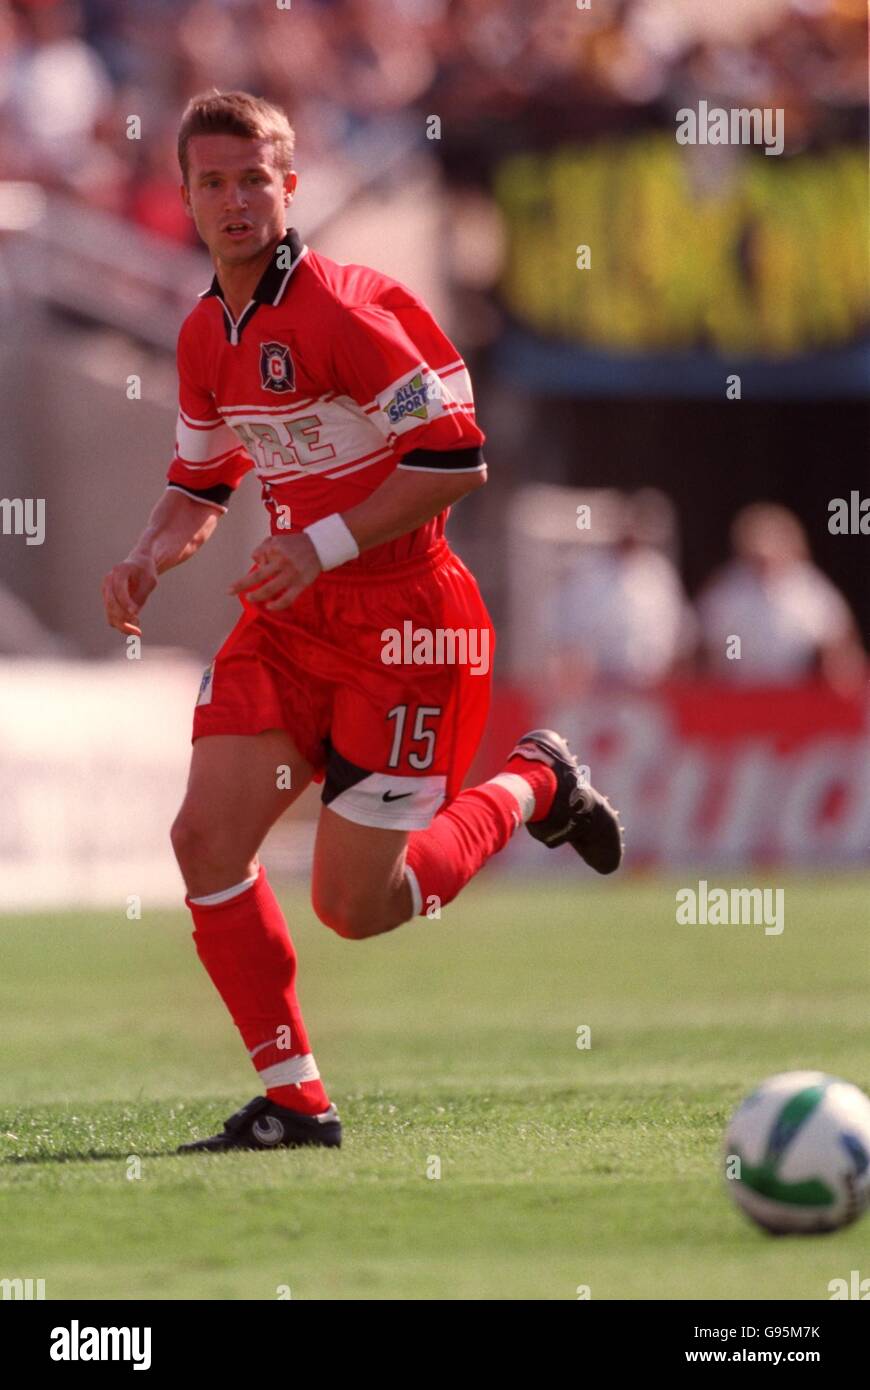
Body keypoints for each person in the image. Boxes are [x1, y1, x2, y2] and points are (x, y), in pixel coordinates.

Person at [101, 90, 623, 1155]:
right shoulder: (207, 331)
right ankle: (295, 1101)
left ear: (291, 189)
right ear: (188, 198)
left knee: (361, 905)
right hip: (292, 620)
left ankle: (535, 781)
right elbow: (201, 481)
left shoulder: (340, 311)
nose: (237, 199)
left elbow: (455, 457)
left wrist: (321, 541)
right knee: (204, 839)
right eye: (214, 182)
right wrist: (152, 548)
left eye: (257, 179)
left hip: (408, 626)